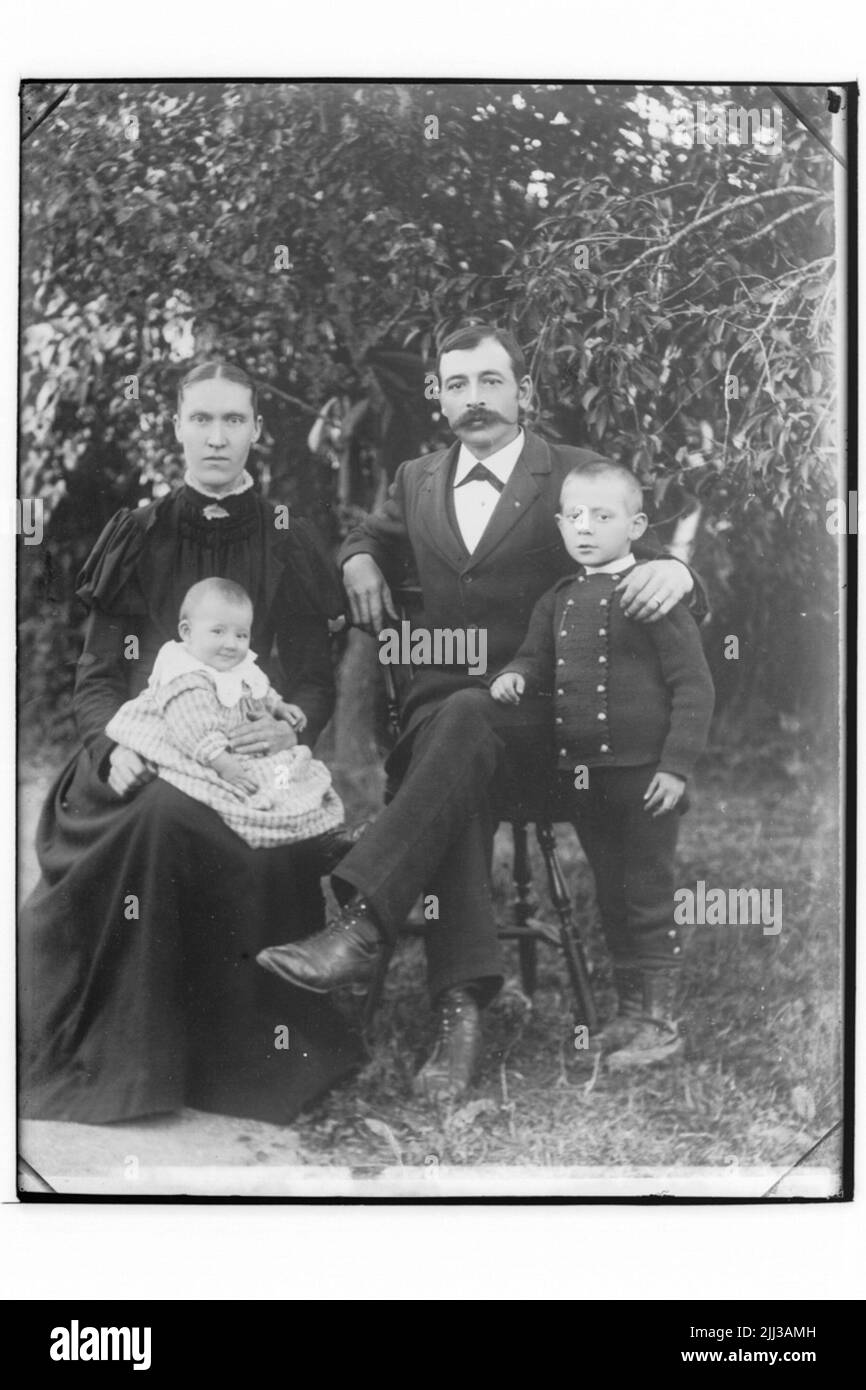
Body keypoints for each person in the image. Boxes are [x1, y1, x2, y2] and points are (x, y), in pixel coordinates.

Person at [256, 323, 705, 1103]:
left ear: (522, 392)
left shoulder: (572, 475)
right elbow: (368, 533)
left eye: (490, 382)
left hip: (559, 728)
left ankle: (367, 930)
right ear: (438, 398)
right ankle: (460, 1014)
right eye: (456, 385)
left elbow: (650, 550)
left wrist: (683, 580)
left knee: (453, 746)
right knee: (455, 743)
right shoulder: (416, 479)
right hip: (453, 722)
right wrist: (358, 558)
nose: (474, 400)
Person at [19, 361, 364, 1126]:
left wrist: (291, 722)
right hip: (141, 744)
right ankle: (133, 1059)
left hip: (251, 755)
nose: (216, 437)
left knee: (200, 816)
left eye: (232, 421)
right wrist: (111, 746)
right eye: (201, 420)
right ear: (176, 427)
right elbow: (97, 677)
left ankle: (232, 1060)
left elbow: (313, 682)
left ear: (254, 431)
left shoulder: (288, 539)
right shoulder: (138, 534)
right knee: (157, 813)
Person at [491, 461, 715, 1068]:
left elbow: (694, 687)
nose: (585, 528)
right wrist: (513, 675)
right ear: (561, 523)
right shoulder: (558, 599)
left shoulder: (651, 591)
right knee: (610, 894)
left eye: (603, 516)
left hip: (646, 779)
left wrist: (676, 768)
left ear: (636, 524)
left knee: (647, 891)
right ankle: (626, 1013)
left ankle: (660, 1021)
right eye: (575, 517)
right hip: (585, 780)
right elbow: (534, 657)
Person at [105, 576, 354, 855]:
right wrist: (224, 765)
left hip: (231, 746)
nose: (231, 644)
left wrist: (279, 706)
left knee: (289, 769)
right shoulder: (185, 676)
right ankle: (279, 828)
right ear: (187, 632)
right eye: (218, 632)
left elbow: (258, 687)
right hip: (195, 751)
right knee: (231, 789)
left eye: (241, 635)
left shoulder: (236, 664)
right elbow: (193, 731)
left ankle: (314, 830)